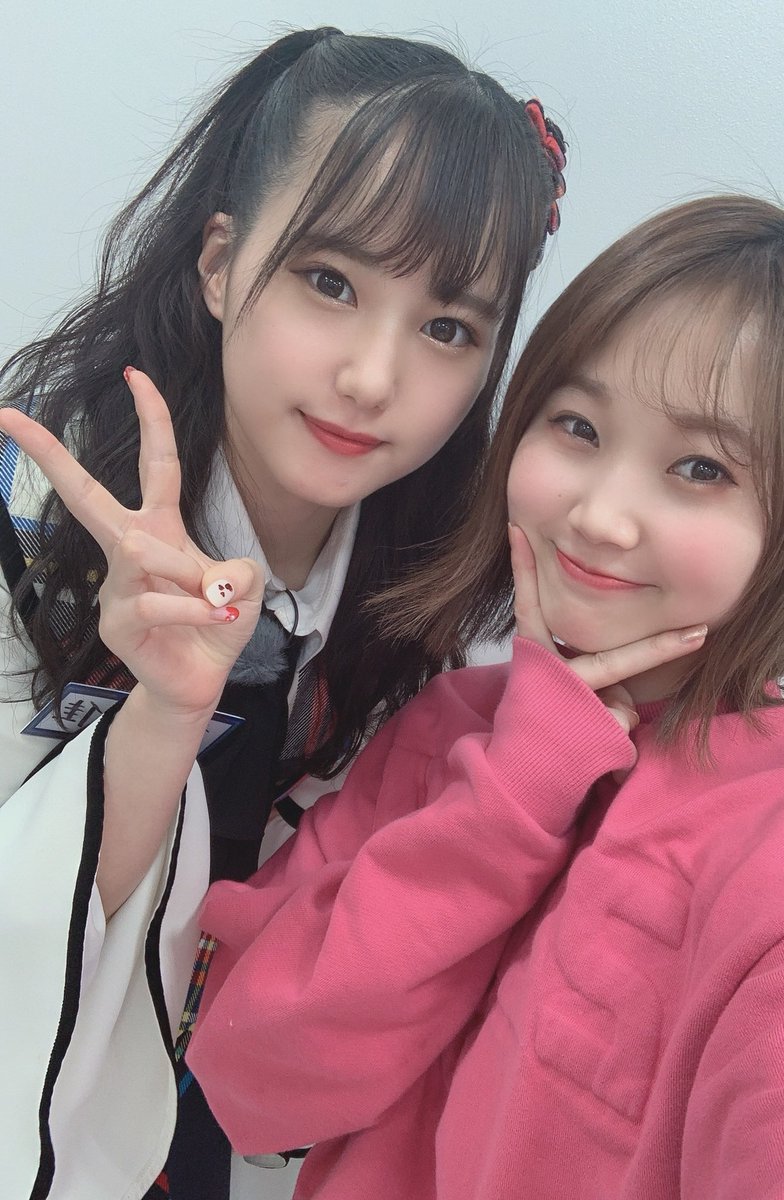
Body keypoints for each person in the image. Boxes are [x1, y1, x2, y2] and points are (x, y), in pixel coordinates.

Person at [183, 195, 784, 1198]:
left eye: (701, 468)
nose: (600, 516)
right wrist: (509, 799)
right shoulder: (447, 733)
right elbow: (248, 1078)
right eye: (578, 426)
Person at [0, 26, 568, 1200]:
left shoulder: (439, 594)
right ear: (220, 264)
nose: (372, 377)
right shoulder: (39, 515)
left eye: (447, 328)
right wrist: (163, 710)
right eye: (330, 282)